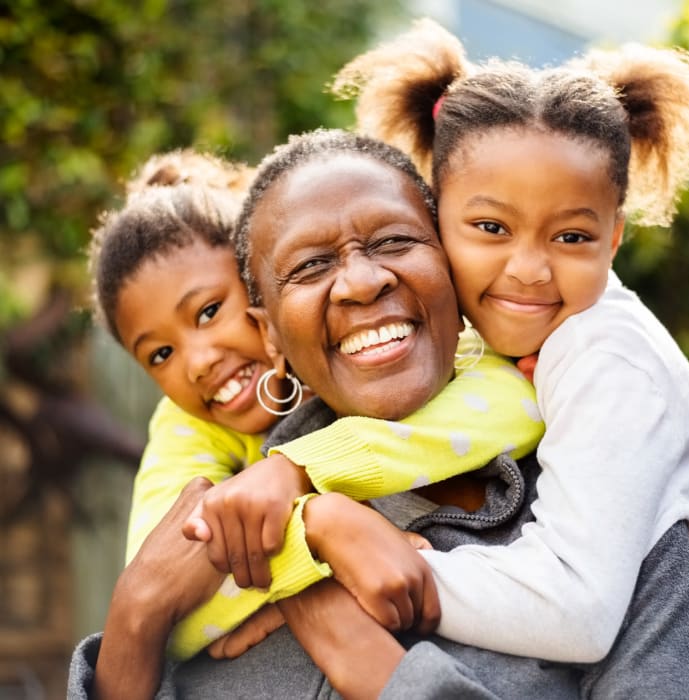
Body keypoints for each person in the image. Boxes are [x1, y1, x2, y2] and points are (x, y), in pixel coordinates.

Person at [329, 18, 689, 699]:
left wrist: (411, 571)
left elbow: (579, 610)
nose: (528, 269)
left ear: (613, 239)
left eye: (571, 235)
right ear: (435, 217)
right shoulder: (478, 340)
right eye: (491, 228)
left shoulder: (605, 356)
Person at [68, 128, 689, 699]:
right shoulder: (232, 534)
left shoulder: (609, 516)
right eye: (311, 265)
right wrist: (138, 614)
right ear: (269, 334)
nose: (360, 281)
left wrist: (374, 667)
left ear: (454, 268)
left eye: (396, 241)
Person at [85, 149, 544, 661]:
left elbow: (517, 403)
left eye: (211, 311)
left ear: (262, 283)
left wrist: (302, 472)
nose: (196, 362)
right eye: (161, 354)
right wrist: (314, 544)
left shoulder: (423, 343)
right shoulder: (185, 426)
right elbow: (160, 585)